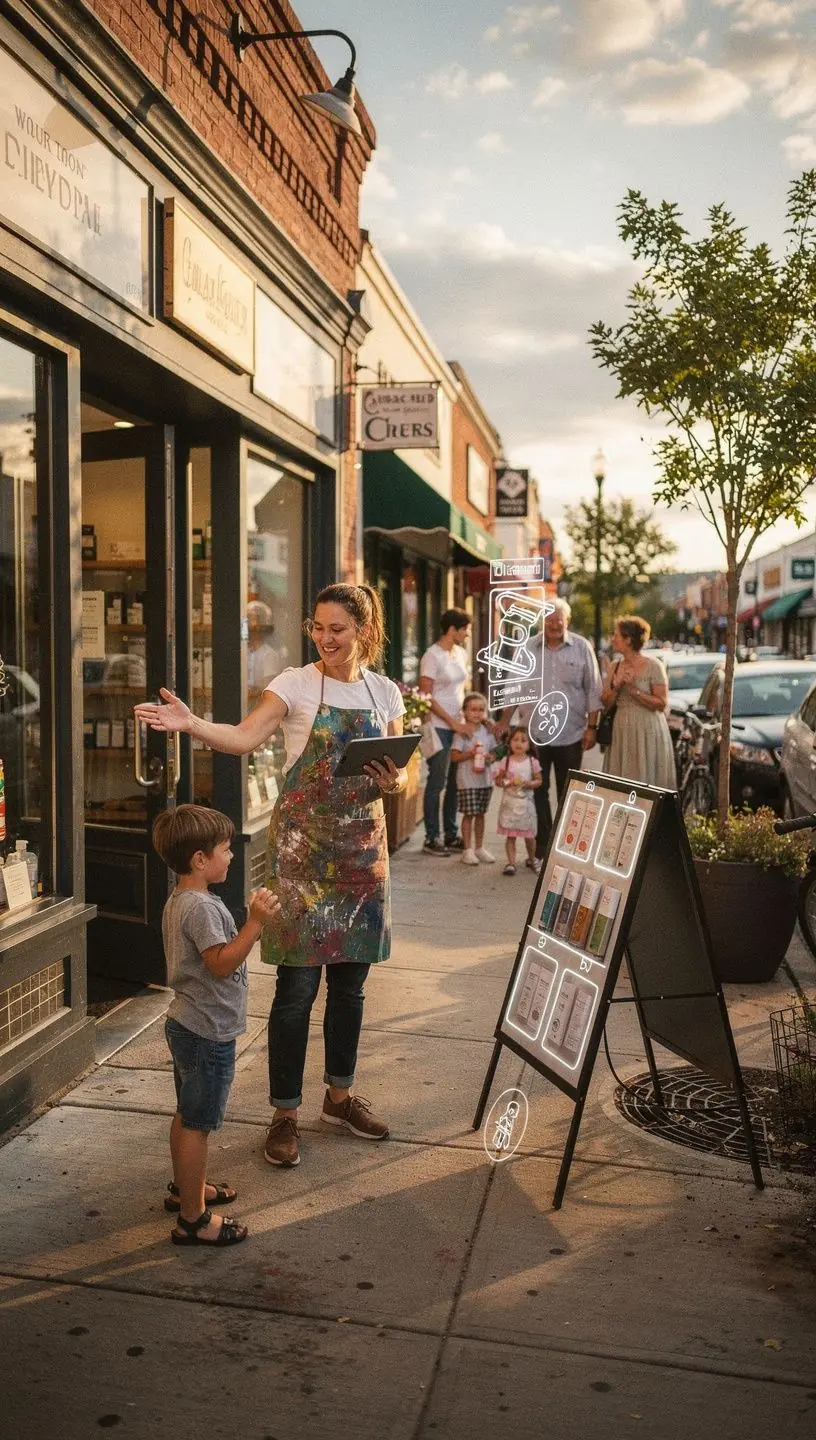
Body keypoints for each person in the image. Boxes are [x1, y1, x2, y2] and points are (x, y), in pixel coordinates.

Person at [136, 584, 406, 1172]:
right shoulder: (295, 683)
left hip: (363, 861)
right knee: (296, 995)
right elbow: (244, 737)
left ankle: (338, 1097)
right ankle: (284, 1114)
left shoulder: (384, 691)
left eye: (337, 628)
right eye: (318, 627)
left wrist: (394, 782)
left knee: (350, 991)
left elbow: (405, 777)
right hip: (304, 861)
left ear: (363, 629)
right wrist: (192, 724)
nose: (326, 638)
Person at [152, 804, 280, 1246]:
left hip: (188, 1023)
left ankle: (186, 1188)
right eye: (225, 850)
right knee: (198, 1125)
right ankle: (193, 1219)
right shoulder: (202, 909)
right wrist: (255, 923)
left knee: (187, 1114)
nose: (231, 856)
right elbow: (222, 963)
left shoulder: (181, 899)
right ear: (199, 860)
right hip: (206, 1033)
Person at [501, 599, 602, 860]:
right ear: (541, 621)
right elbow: (513, 686)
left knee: (568, 792)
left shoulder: (581, 647)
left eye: (559, 620)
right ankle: (543, 847)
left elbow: (593, 690)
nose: (555, 624)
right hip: (535, 734)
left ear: (567, 621)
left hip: (572, 732)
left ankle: (566, 847)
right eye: (549, 619)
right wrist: (504, 722)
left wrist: (592, 727)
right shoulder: (527, 647)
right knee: (538, 790)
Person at [419, 609, 473, 855]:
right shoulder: (432, 656)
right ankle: (432, 838)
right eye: (466, 629)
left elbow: (463, 689)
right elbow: (426, 697)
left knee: (454, 783)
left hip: (459, 728)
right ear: (453, 629)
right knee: (437, 782)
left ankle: (451, 834)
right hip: (441, 728)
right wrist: (453, 723)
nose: (468, 634)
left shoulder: (461, 653)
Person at [600, 616, 676, 789]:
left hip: (648, 729)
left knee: (647, 778)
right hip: (622, 730)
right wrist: (617, 686)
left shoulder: (654, 666)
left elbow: (661, 703)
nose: (613, 639)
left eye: (616, 635)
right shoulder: (615, 666)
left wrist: (634, 690)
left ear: (628, 640)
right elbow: (605, 703)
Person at [450, 692, 497, 865]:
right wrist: (470, 754)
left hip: (485, 780)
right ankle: (467, 850)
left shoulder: (488, 732)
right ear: (465, 711)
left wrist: (491, 757)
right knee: (469, 814)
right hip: (467, 781)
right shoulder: (462, 733)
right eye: (473, 709)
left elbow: (494, 751)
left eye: (481, 709)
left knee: (481, 814)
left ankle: (479, 847)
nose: (477, 713)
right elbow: (454, 757)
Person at [494, 727, 542, 876]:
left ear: (529, 744)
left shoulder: (532, 762)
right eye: (515, 740)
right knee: (511, 835)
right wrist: (504, 782)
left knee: (529, 835)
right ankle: (511, 863)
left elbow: (539, 780)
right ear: (509, 743)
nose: (519, 743)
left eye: (523, 740)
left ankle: (533, 858)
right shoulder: (506, 761)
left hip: (526, 803)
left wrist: (528, 783)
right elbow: (498, 780)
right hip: (510, 803)